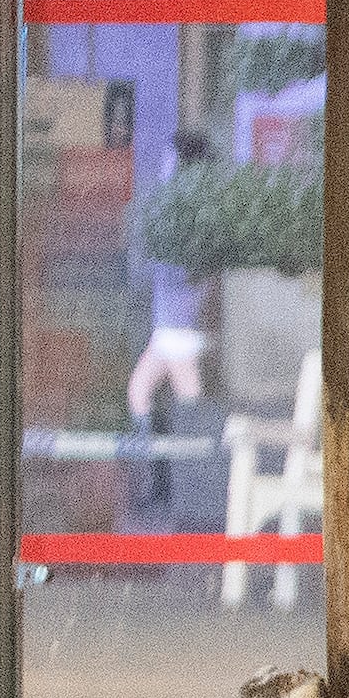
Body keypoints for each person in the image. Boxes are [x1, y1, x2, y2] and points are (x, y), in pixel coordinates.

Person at [128, 132, 223, 513]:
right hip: (167, 325)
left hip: (180, 326)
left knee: (189, 406)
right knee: (140, 392)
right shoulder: (172, 210)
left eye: (170, 162)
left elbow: (195, 274)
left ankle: (192, 489)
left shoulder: (192, 215)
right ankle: (163, 480)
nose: (165, 169)